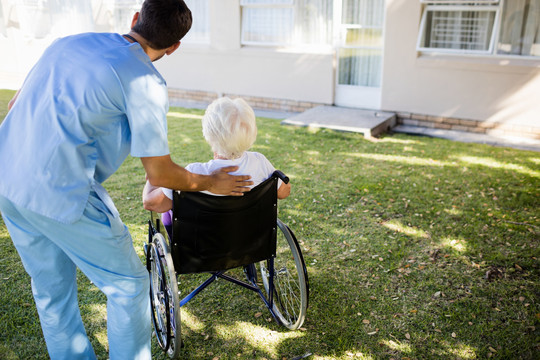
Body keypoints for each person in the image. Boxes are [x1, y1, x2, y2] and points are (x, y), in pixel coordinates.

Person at [0, 1, 252, 359]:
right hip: (60, 192)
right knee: (130, 287)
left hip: (8, 178)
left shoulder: (68, 43)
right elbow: (161, 174)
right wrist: (211, 182)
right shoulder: (145, 82)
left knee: (51, 292)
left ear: (135, 19)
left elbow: (15, 106)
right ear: (174, 46)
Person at [143, 96, 291, 214]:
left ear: (209, 133)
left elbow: (151, 203)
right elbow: (284, 192)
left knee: (167, 214)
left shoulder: (194, 173)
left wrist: (153, 177)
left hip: (199, 247)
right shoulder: (260, 162)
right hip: (250, 243)